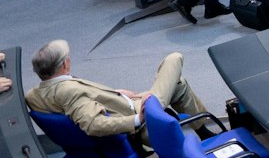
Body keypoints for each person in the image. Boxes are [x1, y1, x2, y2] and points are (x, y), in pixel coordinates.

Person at [24, 40, 214, 139]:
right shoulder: (68, 91)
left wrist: (116, 94)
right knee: (174, 59)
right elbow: (93, 124)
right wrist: (137, 119)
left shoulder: (36, 94)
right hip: (142, 117)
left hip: (127, 104)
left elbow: (84, 101)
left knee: (178, 84)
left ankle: (203, 132)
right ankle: (200, 130)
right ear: (65, 63)